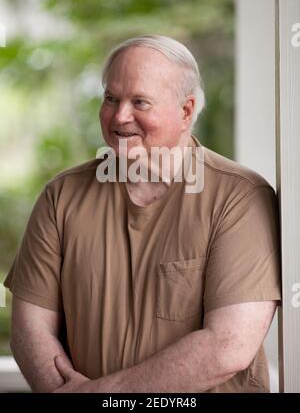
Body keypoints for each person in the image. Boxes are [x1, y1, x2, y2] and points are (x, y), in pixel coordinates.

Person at [4, 35, 281, 393]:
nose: (120, 116)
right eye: (111, 98)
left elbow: (228, 346)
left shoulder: (240, 197)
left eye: (140, 102)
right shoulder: (62, 196)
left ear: (186, 111)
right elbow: (30, 331)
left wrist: (104, 396)